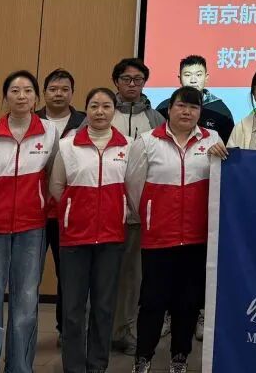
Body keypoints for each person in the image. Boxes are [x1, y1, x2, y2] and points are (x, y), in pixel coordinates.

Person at [126, 87, 228, 373]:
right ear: (169, 109)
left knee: (188, 302)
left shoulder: (213, 139)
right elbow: (133, 187)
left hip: (197, 237)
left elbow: (221, 183)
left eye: (194, 107)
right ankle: (143, 358)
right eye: (182, 106)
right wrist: (150, 216)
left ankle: (179, 358)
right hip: (159, 237)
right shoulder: (147, 141)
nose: (187, 112)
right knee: (152, 301)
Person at [0, 71, 59, 373]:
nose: (21, 96)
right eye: (15, 90)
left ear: (36, 97)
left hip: (32, 227)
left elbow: (55, 176)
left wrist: (39, 201)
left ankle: (19, 368)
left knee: (25, 304)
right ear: (5, 96)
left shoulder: (49, 132)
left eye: (28, 90)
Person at [49, 88, 129, 373]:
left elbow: (132, 187)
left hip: (111, 237)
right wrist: (75, 210)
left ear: (114, 111)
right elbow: (56, 186)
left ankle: (97, 365)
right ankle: (74, 367)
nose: (100, 112)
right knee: (73, 309)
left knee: (103, 307)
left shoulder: (127, 146)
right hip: (75, 237)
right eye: (94, 106)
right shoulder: (68, 145)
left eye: (106, 106)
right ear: (86, 110)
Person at [110, 57, 165, 355]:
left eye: (138, 80)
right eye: (126, 79)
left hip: (139, 213)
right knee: (102, 275)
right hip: (104, 211)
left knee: (133, 277)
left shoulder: (155, 119)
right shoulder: (102, 111)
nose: (132, 84)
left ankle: (125, 331)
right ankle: (99, 332)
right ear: (116, 81)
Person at [37, 68, 86, 345]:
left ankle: (65, 329)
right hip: (33, 211)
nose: (59, 94)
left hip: (68, 212)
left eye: (64, 89)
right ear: (44, 92)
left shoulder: (84, 122)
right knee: (28, 274)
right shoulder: (31, 120)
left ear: (72, 93)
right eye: (53, 89)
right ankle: (25, 329)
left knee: (67, 275)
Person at [157, 54, 235, 144]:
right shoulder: (164, 108)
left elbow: (228, 147)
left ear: (206, 77)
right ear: (180, 78)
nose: (193, 80)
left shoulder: (221, 111)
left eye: (198, 75)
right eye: (187, 75)